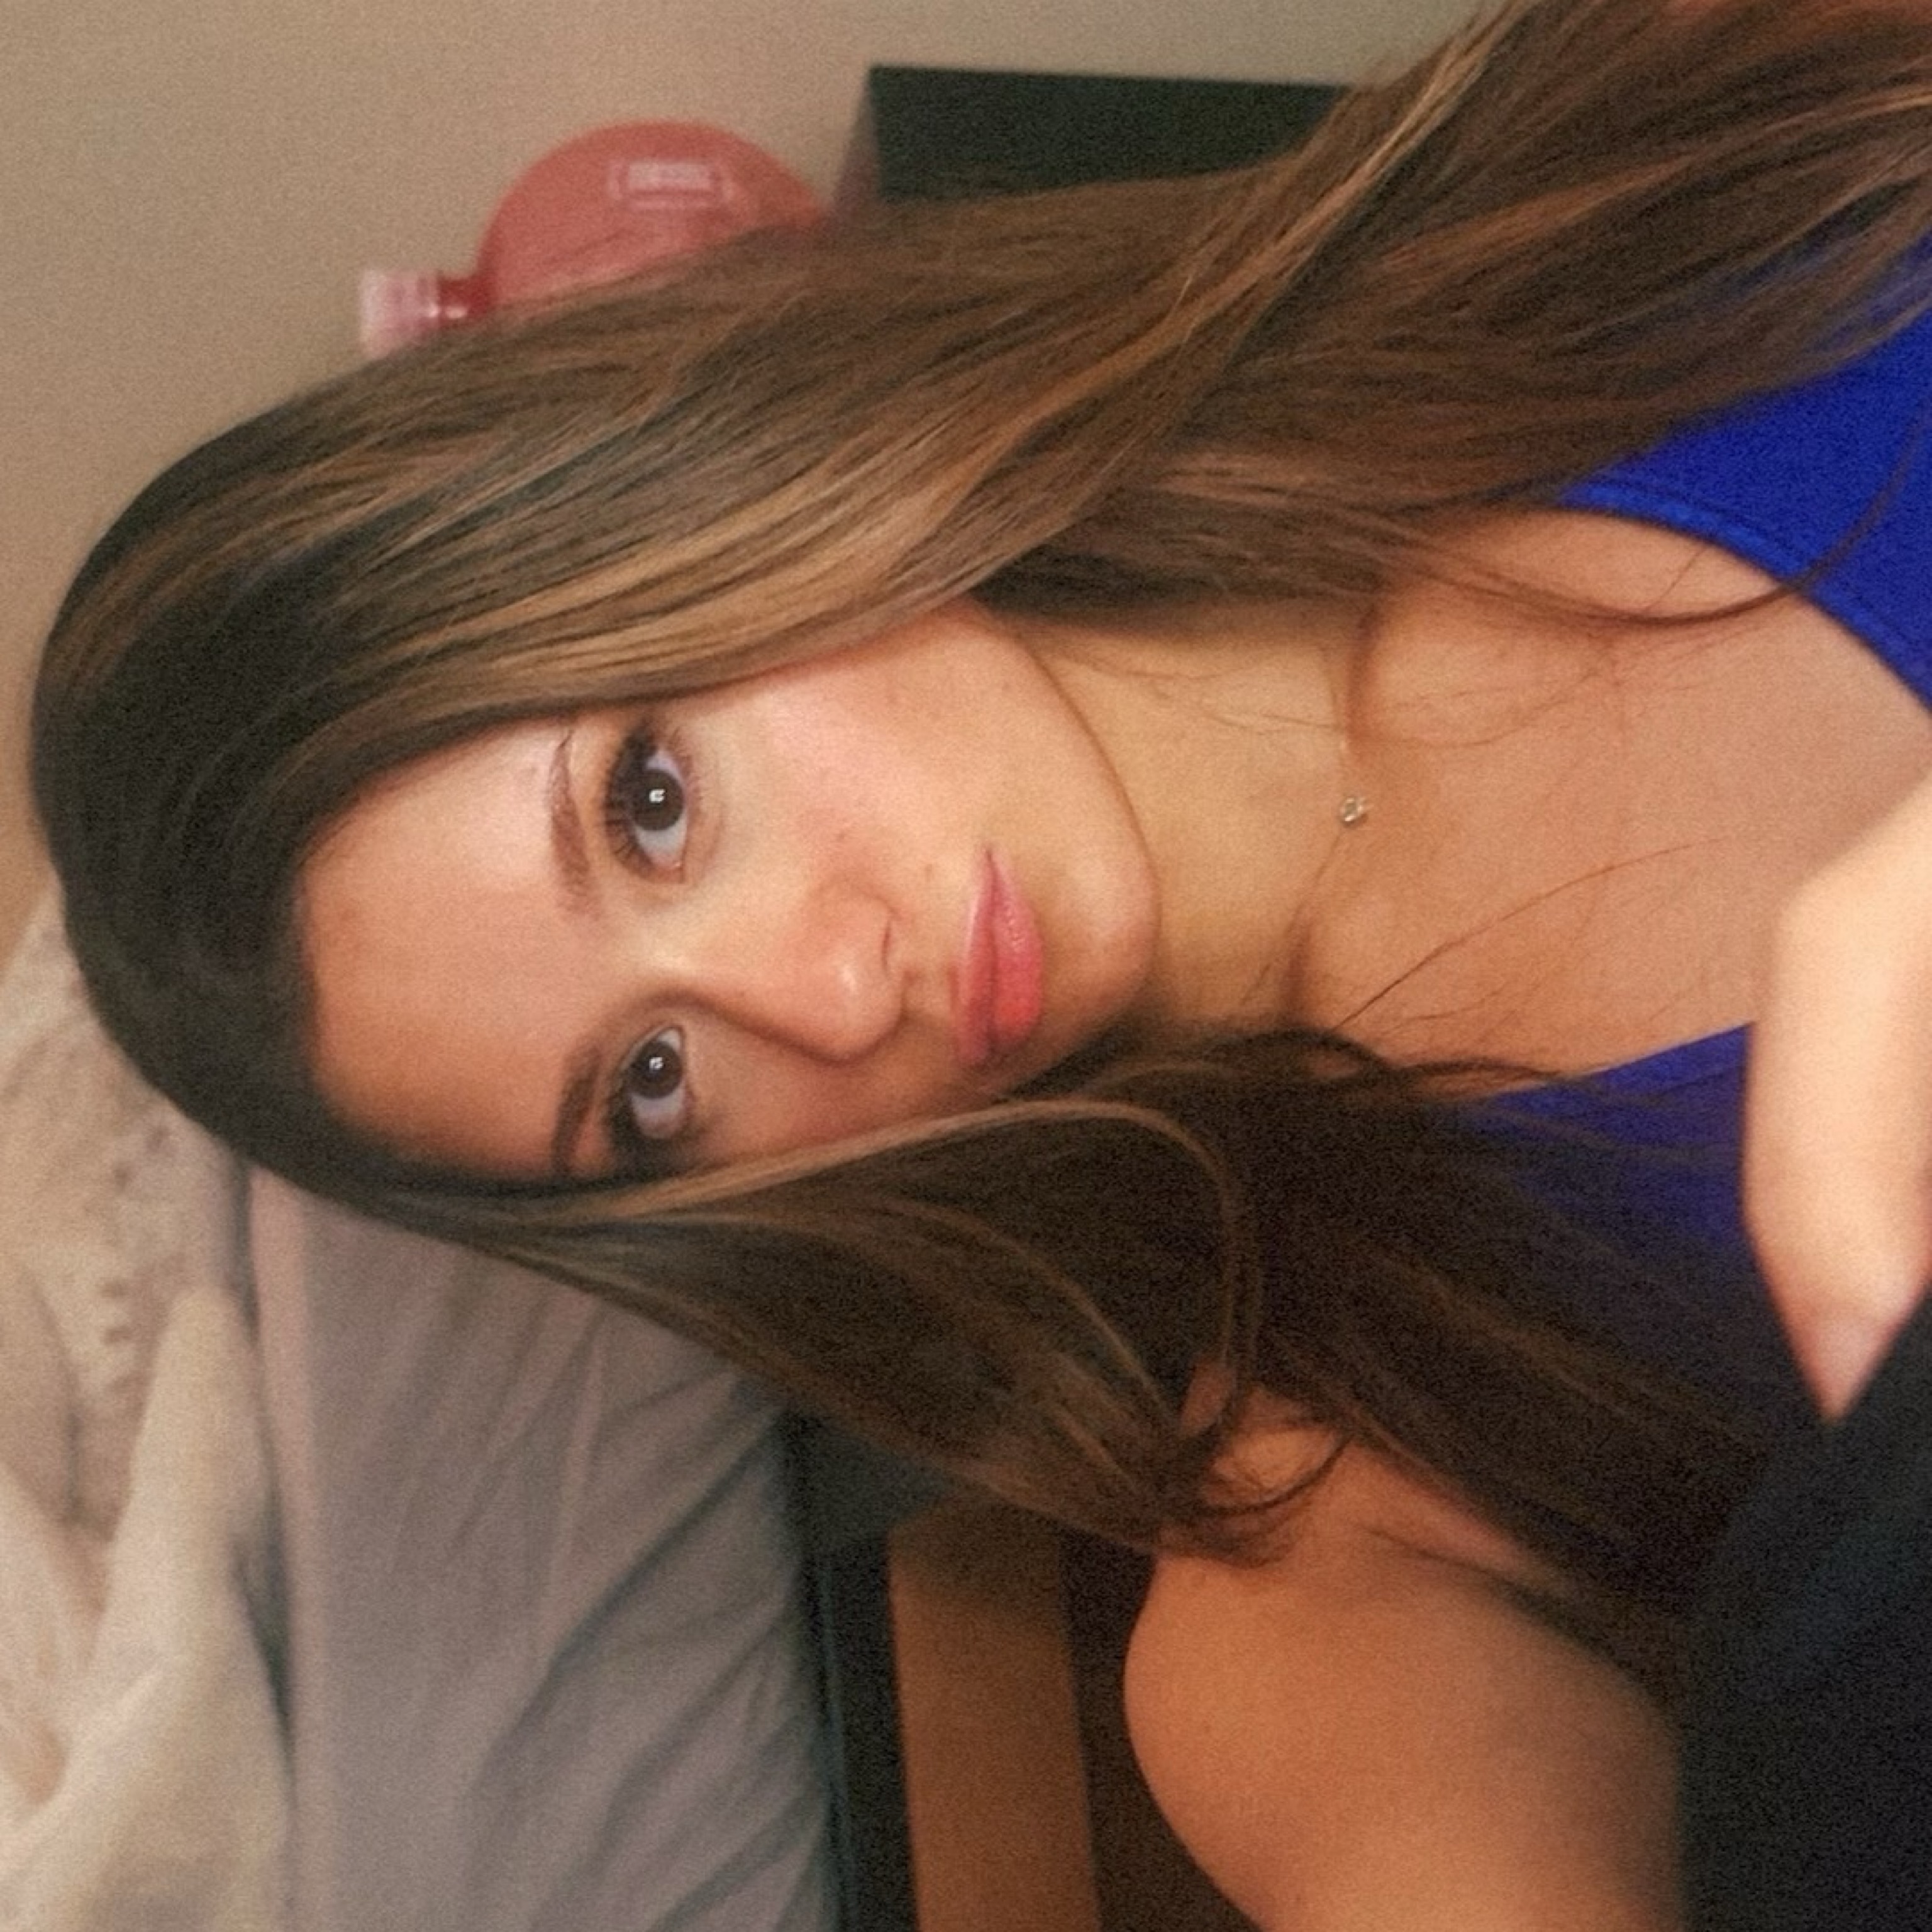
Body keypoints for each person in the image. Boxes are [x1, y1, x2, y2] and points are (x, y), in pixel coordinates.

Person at [27, 0, 1932, 1921]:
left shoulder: (1594, 158)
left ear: (691, 487)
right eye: (656, 1085)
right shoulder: (1324, 1577)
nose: (833, 996)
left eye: (653, 801)